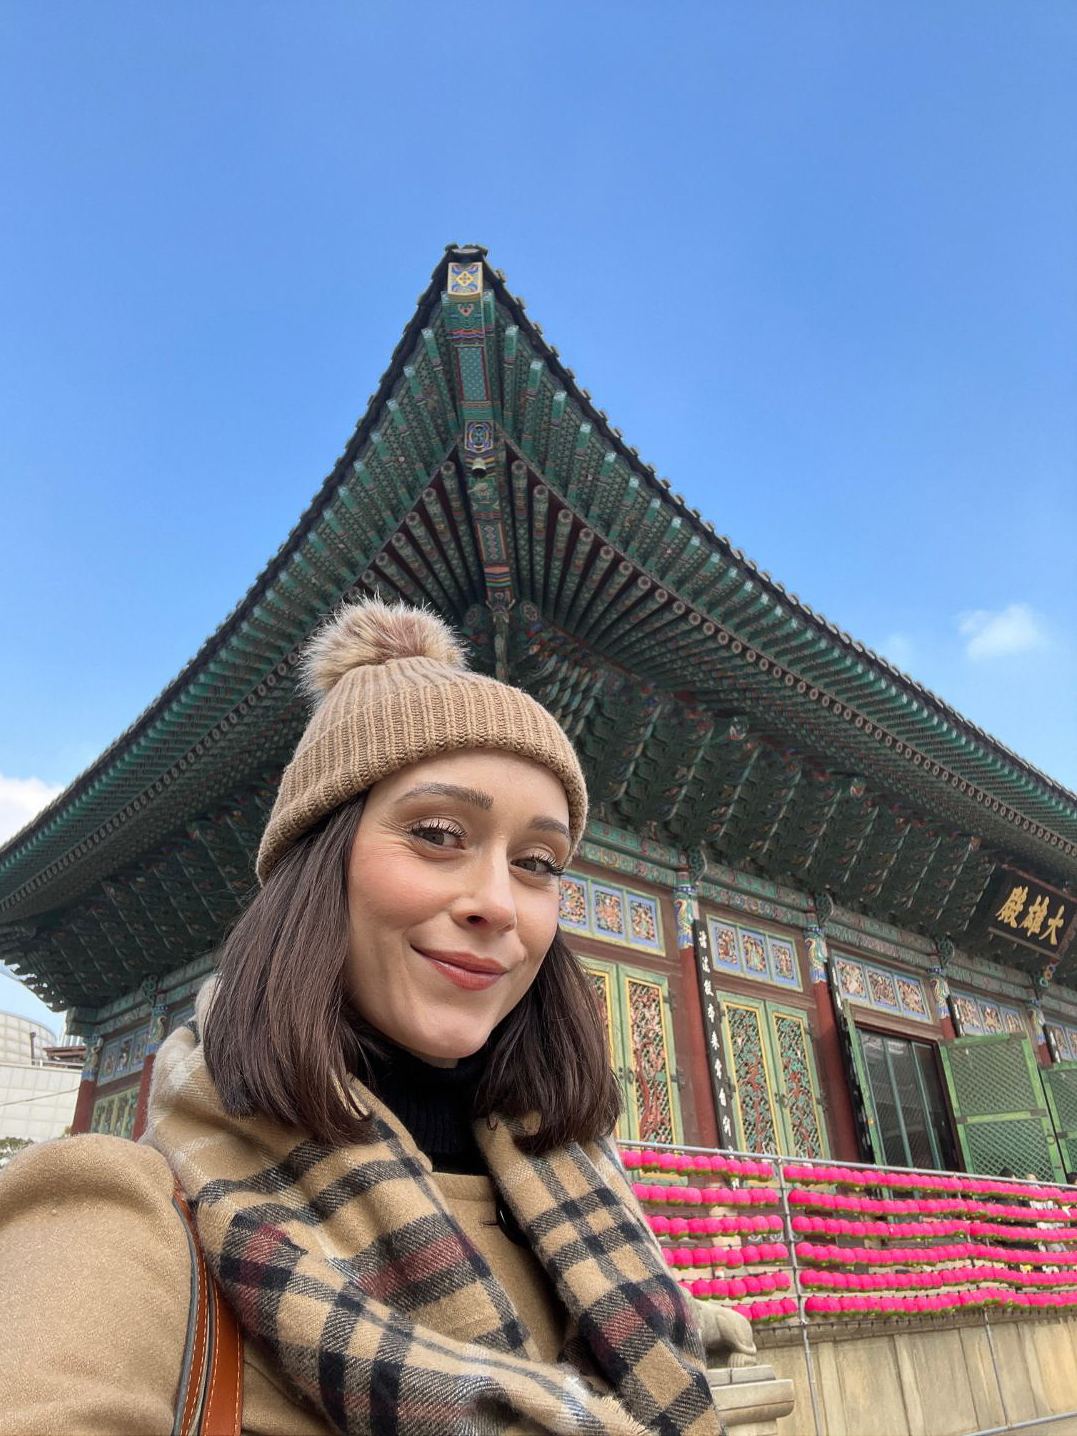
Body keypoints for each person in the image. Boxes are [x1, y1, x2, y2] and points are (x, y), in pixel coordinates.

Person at [0, 599, 743, 1435]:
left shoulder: (584, 1214)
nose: (497, 902)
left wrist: (688, 1321)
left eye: (537, 863)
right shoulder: (118, 1219)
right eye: (435, 833)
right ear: (317, 867)